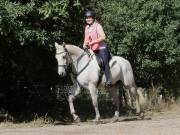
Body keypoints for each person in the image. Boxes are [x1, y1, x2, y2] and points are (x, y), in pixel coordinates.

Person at [83, 10, 112, 87]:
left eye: (89, 17)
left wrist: (92, 42)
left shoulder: (98, 26)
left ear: (93, 18)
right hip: (92, 49)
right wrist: (84, 44)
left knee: (104, 62)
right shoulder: (87, 27)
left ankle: (109, 80)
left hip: (101, 48)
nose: (88, 19)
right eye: (86, 18)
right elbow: (86, 39)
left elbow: (103, 37)